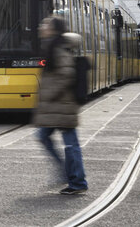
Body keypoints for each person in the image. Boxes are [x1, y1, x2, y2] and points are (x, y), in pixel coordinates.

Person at [34, 16, 89, 195]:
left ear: (54, 29)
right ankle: (69, 175)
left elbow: (66, 74)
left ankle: (76, 181)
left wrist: (48, 95)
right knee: (45, 137)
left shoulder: (58, 48)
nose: (41, 26)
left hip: (61, 105)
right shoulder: (52, 46)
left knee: (70, 144)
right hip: (57, 106)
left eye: (45, 24)